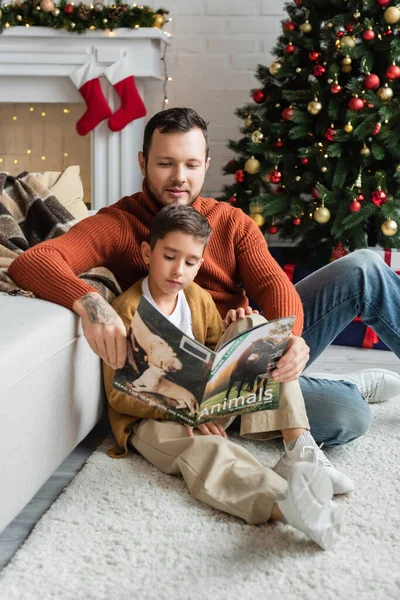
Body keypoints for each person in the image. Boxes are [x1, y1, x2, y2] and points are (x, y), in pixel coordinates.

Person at [8, 107, 400, 449]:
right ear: (143, 163)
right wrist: (92, 304)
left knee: (364, 267)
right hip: (195, 378)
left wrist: (292, 337)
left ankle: (304, 376)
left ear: (206, 165)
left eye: (191, 165)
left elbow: (273, 287)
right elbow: (33, 262)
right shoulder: (119, 223)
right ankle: (345, 387)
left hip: (248, 348)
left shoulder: (232, 222)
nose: (179, 178)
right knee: (347, 414)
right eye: (165, 164)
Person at [103, 203, 343, 549]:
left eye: (190, 262)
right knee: (207, 449)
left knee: (255, 326)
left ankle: (298, 449)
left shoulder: (196, 297)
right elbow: (118, 394)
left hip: (210, 402)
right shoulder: (127, 313)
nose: (178, 271)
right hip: (154, 417)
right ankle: (285, 503)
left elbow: (215, 353)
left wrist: (236, 332)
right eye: (169, 257)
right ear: (147, 252)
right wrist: (183, 409)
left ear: (200, 263)